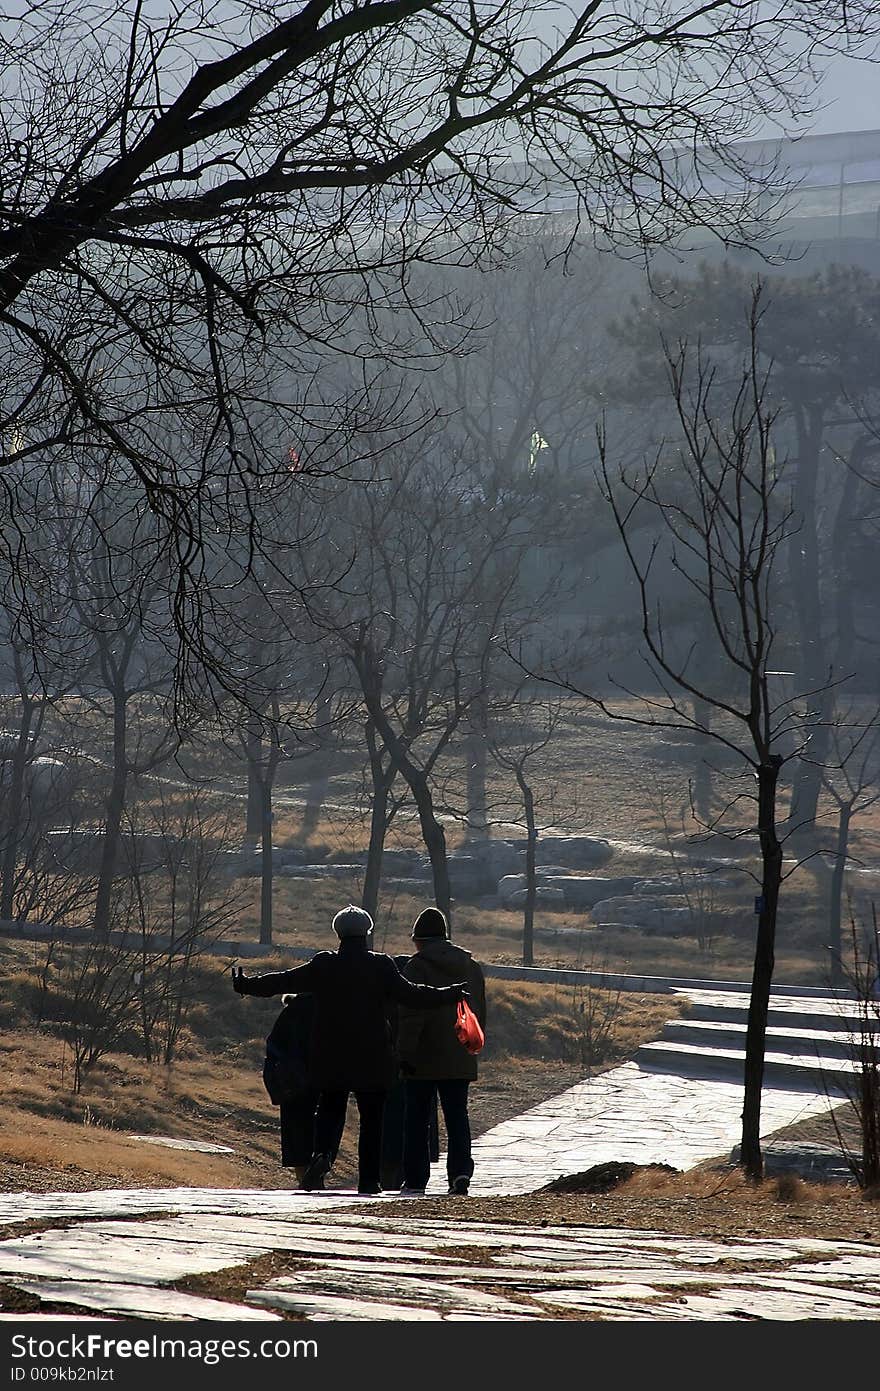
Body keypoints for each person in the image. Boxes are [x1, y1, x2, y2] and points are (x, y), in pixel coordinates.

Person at [231, 904, 469, 1196]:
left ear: (338, 934)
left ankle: (323, 1155)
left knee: (330, 1109)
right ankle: (369, 1180)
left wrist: (246, 985)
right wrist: (449, 994)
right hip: (373, 1056)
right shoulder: (381, 966)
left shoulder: (324, 964)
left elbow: (284, 980)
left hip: (331, 1055)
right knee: (372, 1120)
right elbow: (413, 995)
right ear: (367, 933)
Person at [397, 906, 487, 1197]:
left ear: (419, 940)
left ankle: (415, 1179)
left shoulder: (416, 966)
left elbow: (411, 1016)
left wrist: (404, 1054)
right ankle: (460, 1174)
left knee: (417, 1119)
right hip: (459, 1053)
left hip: (422, 1058)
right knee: (457, 1117)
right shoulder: (470, 966)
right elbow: (479, 1013)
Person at [261, 994, 343, 1186]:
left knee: (296, 1127)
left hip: (294, 1080)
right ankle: (321, 1163)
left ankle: (303, 1174)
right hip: (329, 1077)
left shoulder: (293, 1010)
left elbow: (274, 1045)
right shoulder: (337, 1006)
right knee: (328, 1123)